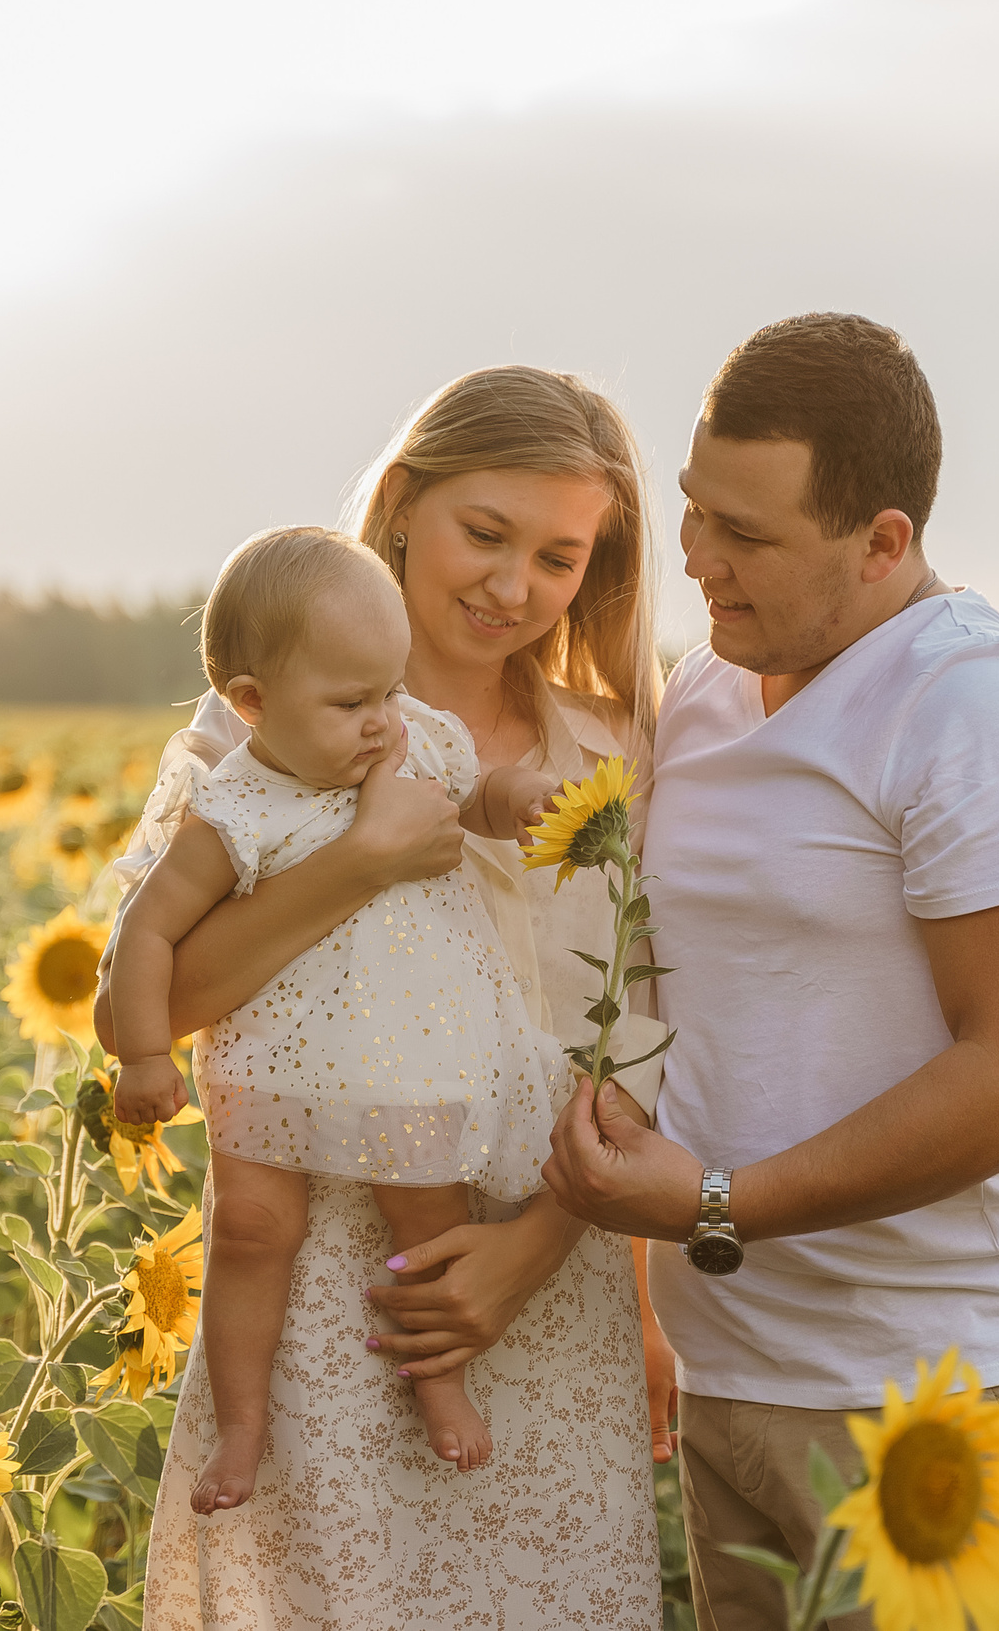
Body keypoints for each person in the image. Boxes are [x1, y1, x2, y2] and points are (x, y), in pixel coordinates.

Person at [543, 313, 999, 1630]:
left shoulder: (973, 709)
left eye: (745, 535)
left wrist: (717, 1203)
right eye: (695, 509)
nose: (697, 557)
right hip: (740, 1377)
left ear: (881, 543)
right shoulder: (708, 684)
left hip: (945, 1393)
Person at [104, 367, 671, 1629]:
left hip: (550, 1267)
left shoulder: (612, 752)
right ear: (405, 504)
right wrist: (361, 860)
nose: (513, 586)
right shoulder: (250, 735)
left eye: (559, 558)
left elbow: (640, 1035)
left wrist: (556, 1260)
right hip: (326, 1287)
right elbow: (154, 993)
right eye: (485, 533)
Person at [107, 524, 601, 1505]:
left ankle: (440, 1381)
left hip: (405, 1055)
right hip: (269, 1063)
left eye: (390, 690)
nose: (382, 722)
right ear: (251, 703)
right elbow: (145, 934)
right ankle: (241, 1427)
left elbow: (475, 795)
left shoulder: (416, 742)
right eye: (349, 703)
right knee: (250, 1232)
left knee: (428, 1220)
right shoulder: (235, 808)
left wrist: (520, 797)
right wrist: (145, 1058)